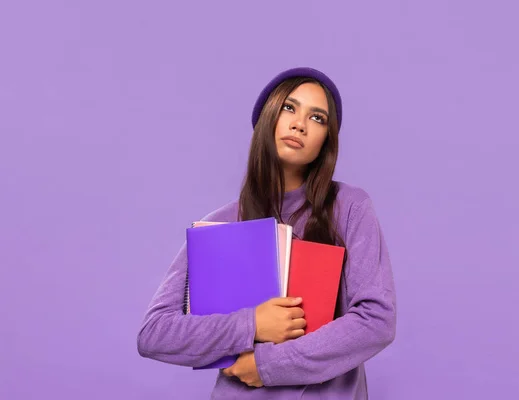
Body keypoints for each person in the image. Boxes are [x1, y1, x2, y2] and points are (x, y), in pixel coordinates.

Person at [137, 67, 397, 399]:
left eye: (317, 118)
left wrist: (268, 364)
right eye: (289, 107)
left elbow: (376, 321)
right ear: (266, 117)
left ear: (325, 141)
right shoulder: (220, 225)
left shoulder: (349, 207)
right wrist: (252, 325)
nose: (299, 123)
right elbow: (155, 334)